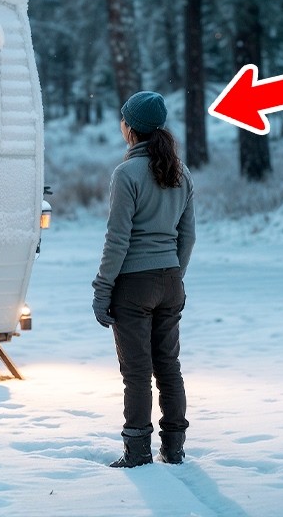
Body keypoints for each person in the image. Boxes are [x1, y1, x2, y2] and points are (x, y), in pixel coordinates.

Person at [92, 91, 195, 468]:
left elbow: (117, 239)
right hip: (170, 281)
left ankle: (137, 453)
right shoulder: (181, 173)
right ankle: (174, 448)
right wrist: (173, 274)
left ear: (130, 128)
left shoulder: (127, 174)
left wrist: (103, 289)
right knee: (168, 367)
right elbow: (189, 236)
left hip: (134, 285)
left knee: (136, 373)